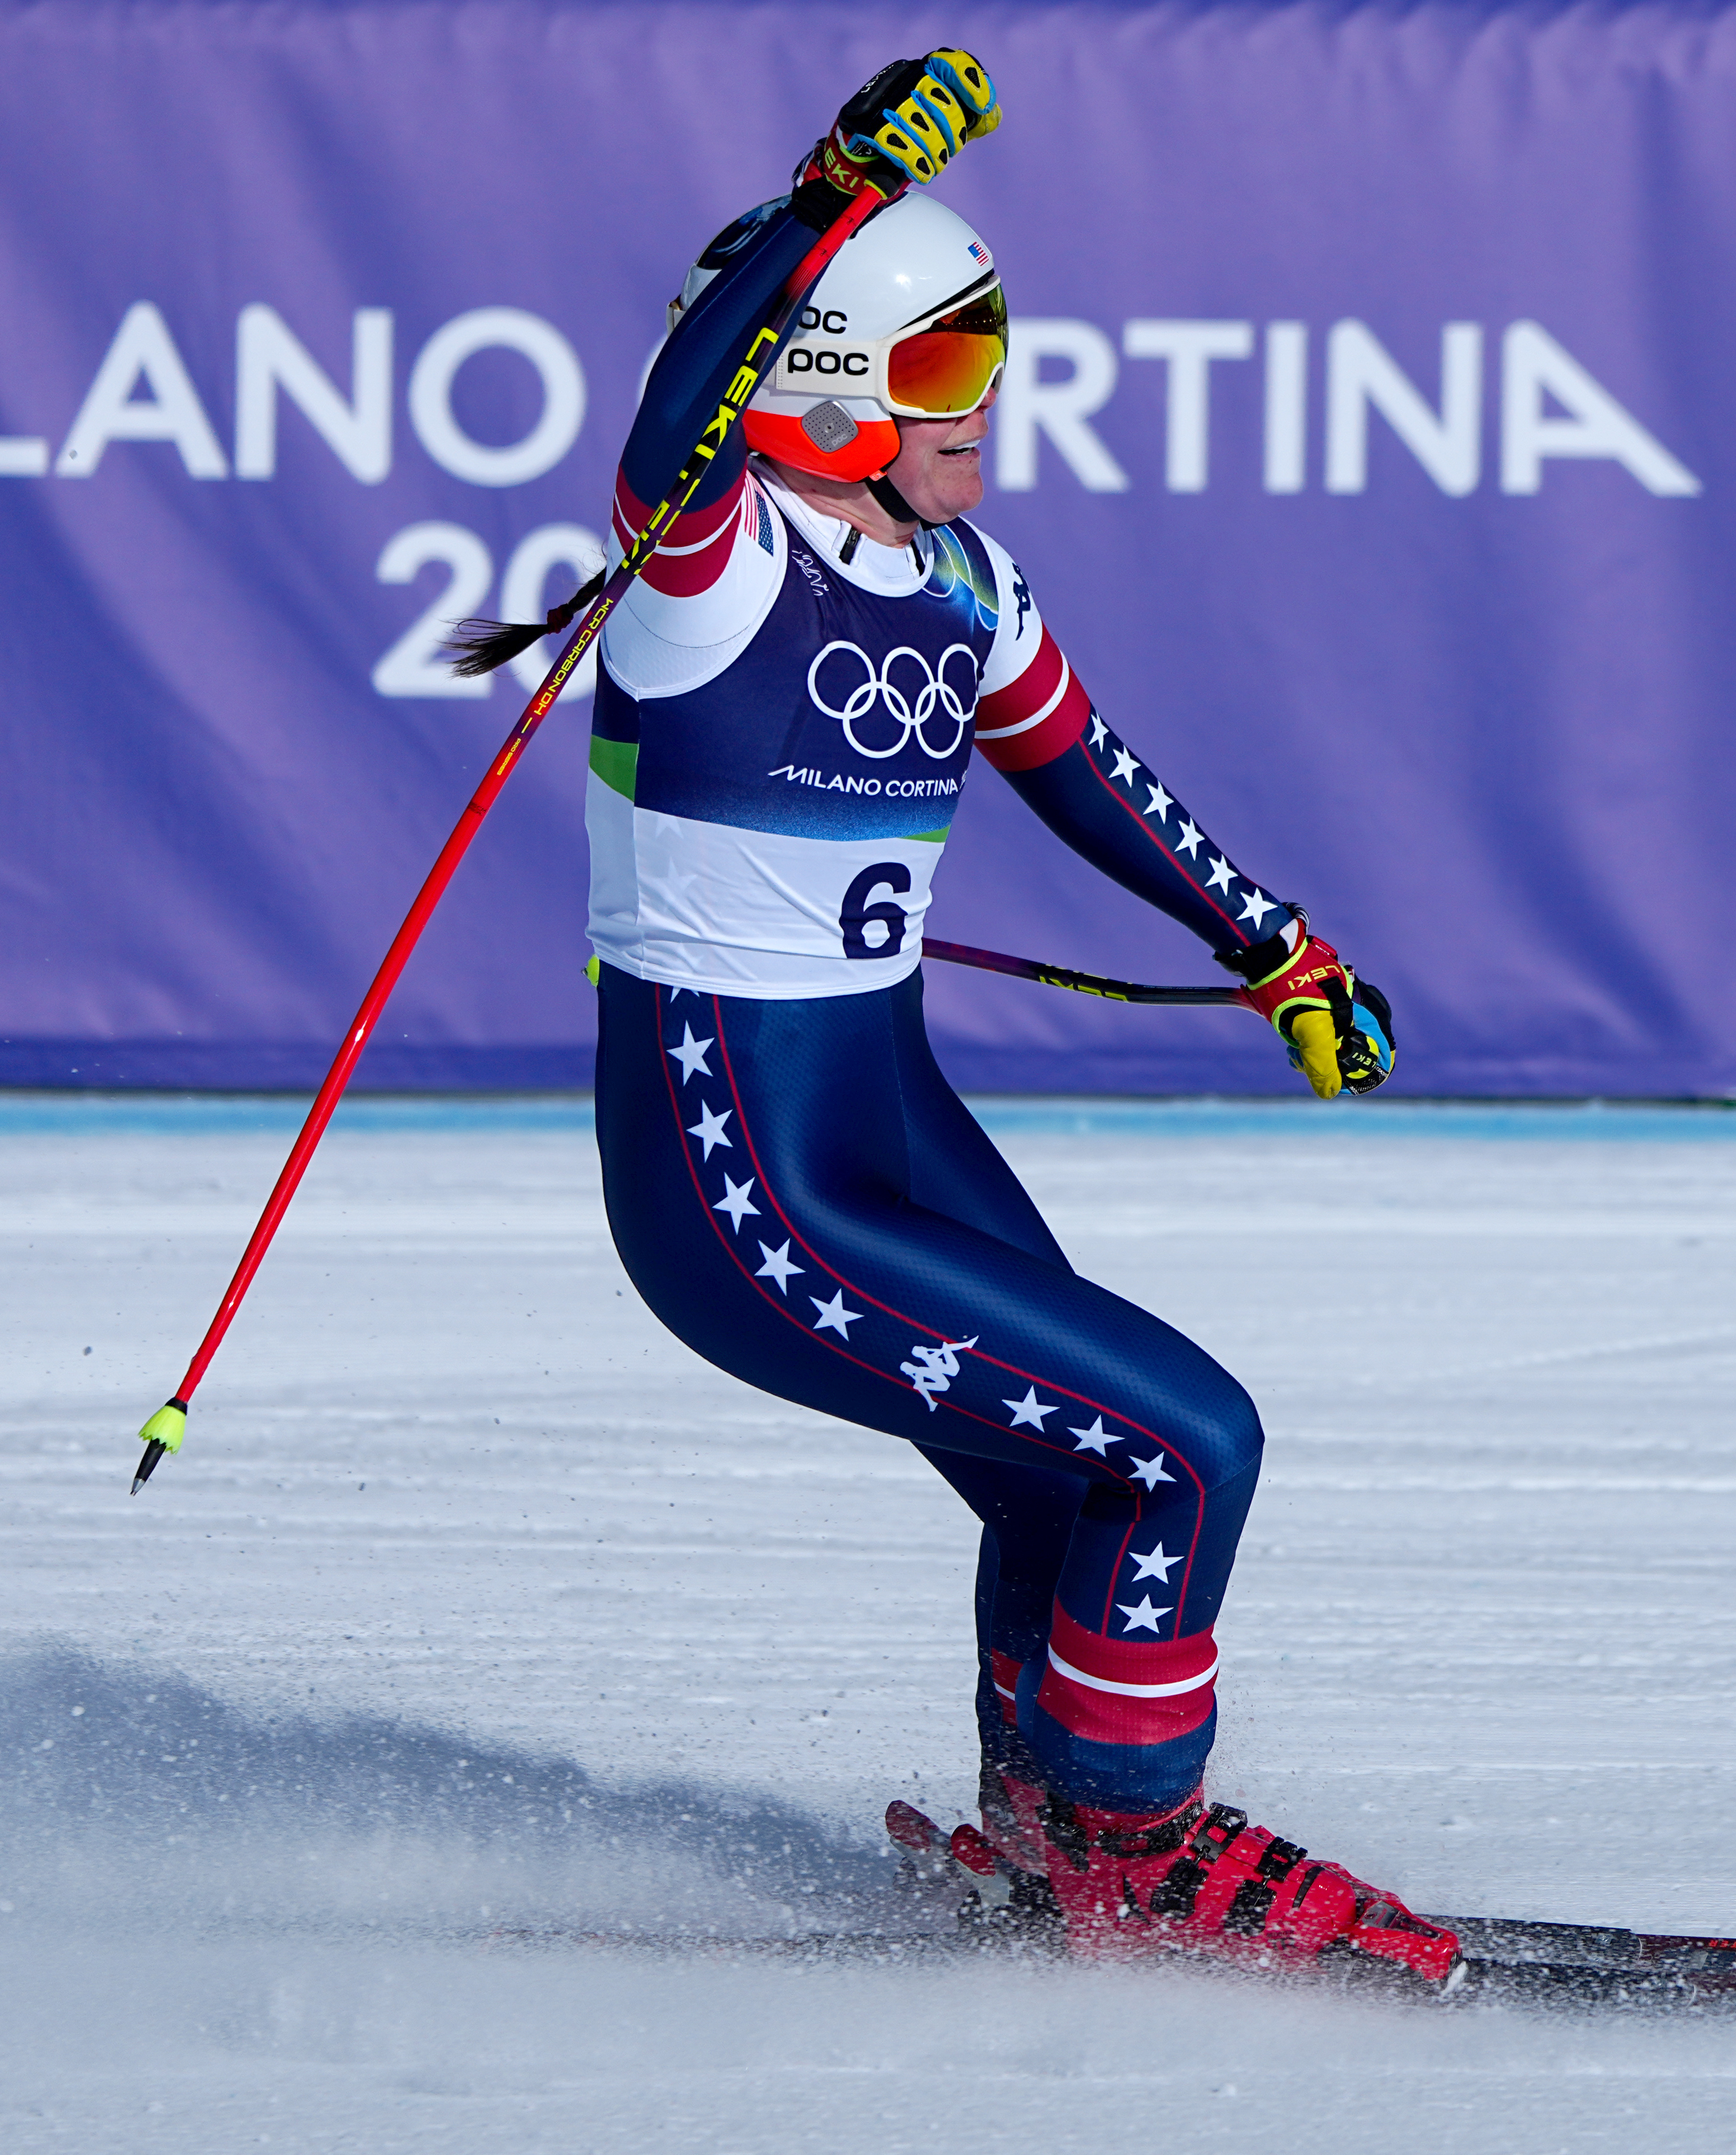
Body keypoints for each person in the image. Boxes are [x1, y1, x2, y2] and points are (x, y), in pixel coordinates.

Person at [455, 57, 1447, 1987]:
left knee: (1078, 1473)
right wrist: (829, 189)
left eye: (986, 358)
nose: (980, 406)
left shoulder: (960, 577)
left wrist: (1282, 954)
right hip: (741, 1175)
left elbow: (1099, 777)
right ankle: (1135, 1853)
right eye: (937, 369)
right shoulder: (709, 563)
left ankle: (1044, 1836)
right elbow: (675, 436)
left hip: (881, 1114)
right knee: (1188, 1448)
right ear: (816, 388)